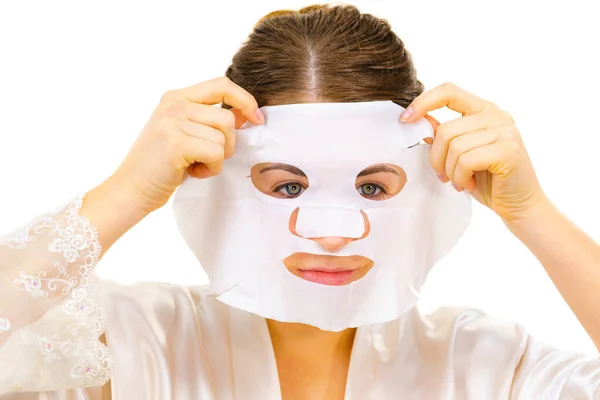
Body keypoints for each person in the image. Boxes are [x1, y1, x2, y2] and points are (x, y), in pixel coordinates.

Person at [1, 4, 599, 399]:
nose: (332, 233)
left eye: (372, 188)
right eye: (287, 186)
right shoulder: (134, 343)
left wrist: (533, 213)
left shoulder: (482, 363)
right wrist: (126, 192)